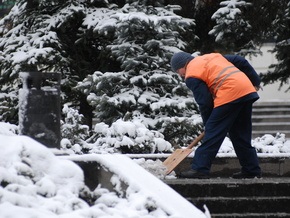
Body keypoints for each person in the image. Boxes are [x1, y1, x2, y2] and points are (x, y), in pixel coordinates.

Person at [170, 52, 262, 179]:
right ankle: (251, 169)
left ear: (182, 65)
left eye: (178, 71)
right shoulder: (213, 57)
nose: (180, 75)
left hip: (230, 94)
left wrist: (209, 124)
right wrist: (255, 81)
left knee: (213, 134)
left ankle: (200, 169)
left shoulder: (191, 74)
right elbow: (241, 61)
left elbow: (205, 102)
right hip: (246, 91)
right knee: (240, 133)